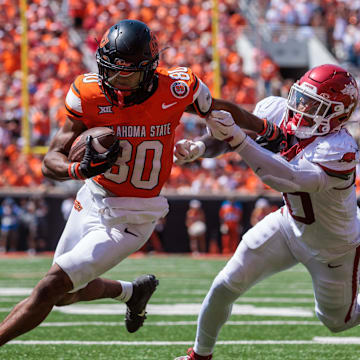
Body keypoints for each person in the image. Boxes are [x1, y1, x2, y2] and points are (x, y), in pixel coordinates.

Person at [0, 19, 279, 347]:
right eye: (109, 69)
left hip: (134, 215)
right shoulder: (88, 92)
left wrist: (268, 130)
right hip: (92, 197)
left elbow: (221, 111)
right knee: (62, 296)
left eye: (126, 73)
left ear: (148, 70)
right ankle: (132, 292)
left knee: (50, 287)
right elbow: (51, 161)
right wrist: (78, 169)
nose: (114, 80)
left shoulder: (175, 87)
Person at [174, 64, 360, 359]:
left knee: (337, 322)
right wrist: (200, 147)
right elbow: (230, 135)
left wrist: (239, 139)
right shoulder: (277, 111)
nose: (300, 109)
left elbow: (289, 177)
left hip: (333, 247)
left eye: (314, 105)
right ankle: (199, 354)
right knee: (225, 283)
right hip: (289, 224)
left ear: (336, 114)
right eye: (301, 98)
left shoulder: (339, 148)